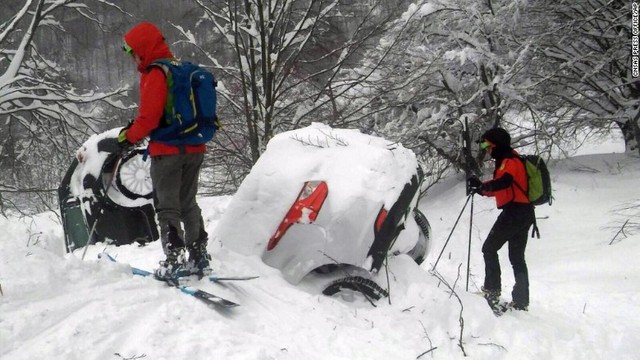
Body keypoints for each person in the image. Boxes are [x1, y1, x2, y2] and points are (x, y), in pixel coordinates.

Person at [117, 22, 211, 280]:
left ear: (143, 49)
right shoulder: (181, 69)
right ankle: (199, 256)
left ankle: (174, 260)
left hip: (167, 152)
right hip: (195, 148)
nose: (133, 58)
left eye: (133, 52)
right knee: (188, 202)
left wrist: (127, 138)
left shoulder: (155, 73)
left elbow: (149, 118)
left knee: (167, 207)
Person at [467, 127, 535, 311]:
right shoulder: (510, 159)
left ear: (496, 144)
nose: (486, 149)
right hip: (523, 212)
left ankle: (492, 291)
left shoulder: (509, 161)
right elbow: (504, 187)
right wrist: (481, 189)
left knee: (489, 248)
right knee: (516, 257)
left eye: (488, 145)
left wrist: (482, 186)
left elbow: (504, 182)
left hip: (515, 213)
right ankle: (521, 301)